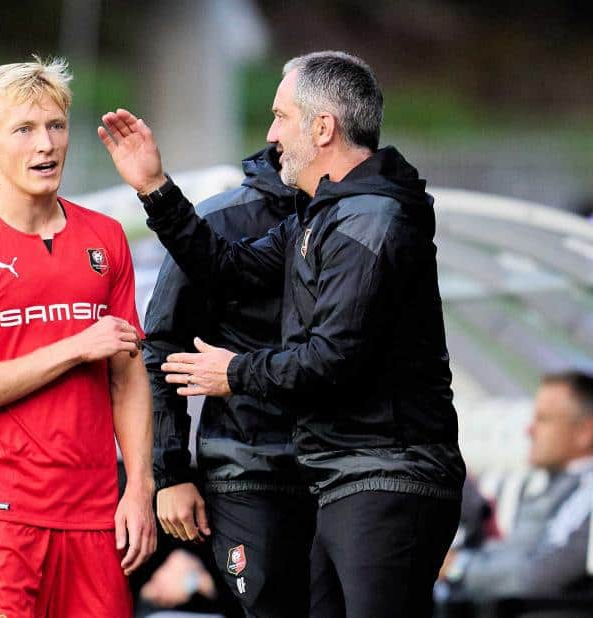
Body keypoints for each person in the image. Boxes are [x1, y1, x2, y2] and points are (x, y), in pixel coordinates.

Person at [99, 50, 465, 617]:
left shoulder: (372, 221)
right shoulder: (324, 216)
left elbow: (333, 357)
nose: (271, 136)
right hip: (344, 478)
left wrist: (233, 373)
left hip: (389, 476)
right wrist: (155, 188)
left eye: (280, 117)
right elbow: (228, 268)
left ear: (323, 128)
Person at [0, 57, 155, 618]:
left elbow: (128, 377)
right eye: (23, 129)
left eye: (55, 126)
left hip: (95, 514)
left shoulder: (106, 238)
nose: (45, 144)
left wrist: (139, 488)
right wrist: (74, 347)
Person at [144, 144, 315, 617]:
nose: (273, 128)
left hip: (341, 472)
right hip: (248, 471)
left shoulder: (358, 219)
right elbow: (162, 350)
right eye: (277, 115)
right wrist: (171, 474)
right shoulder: (218, 220)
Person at [439, 370, 593, 601]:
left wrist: (457, 566)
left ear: (584, 433)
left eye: (544, 419)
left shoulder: (587, 493)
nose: (529, 430)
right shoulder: (559, 485)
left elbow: (538, 576)